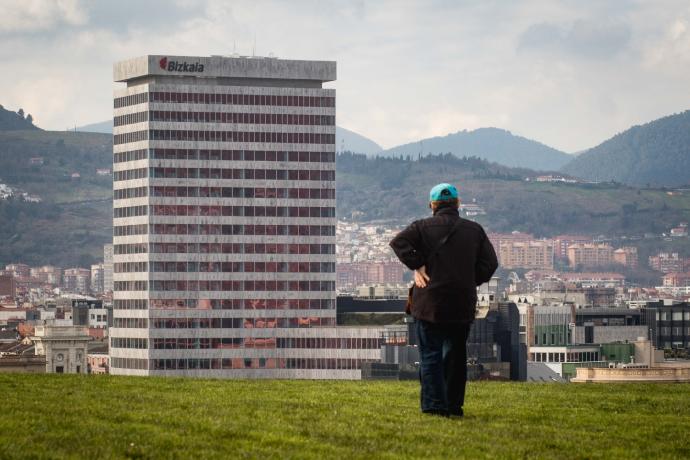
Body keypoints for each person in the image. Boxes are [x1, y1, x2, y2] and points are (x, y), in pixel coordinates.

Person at [389, 183, 498, 417]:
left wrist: (417, 264)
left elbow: (398, 242)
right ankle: (453, 406)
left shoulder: (421, 227)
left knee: (431, 356)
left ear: (432, 205)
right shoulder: (474, 230)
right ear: (458, 204)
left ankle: (434, 406)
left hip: (429, 302)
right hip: (461, 302)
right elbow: (490, 264)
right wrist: (469, 279)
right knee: (456, 357)